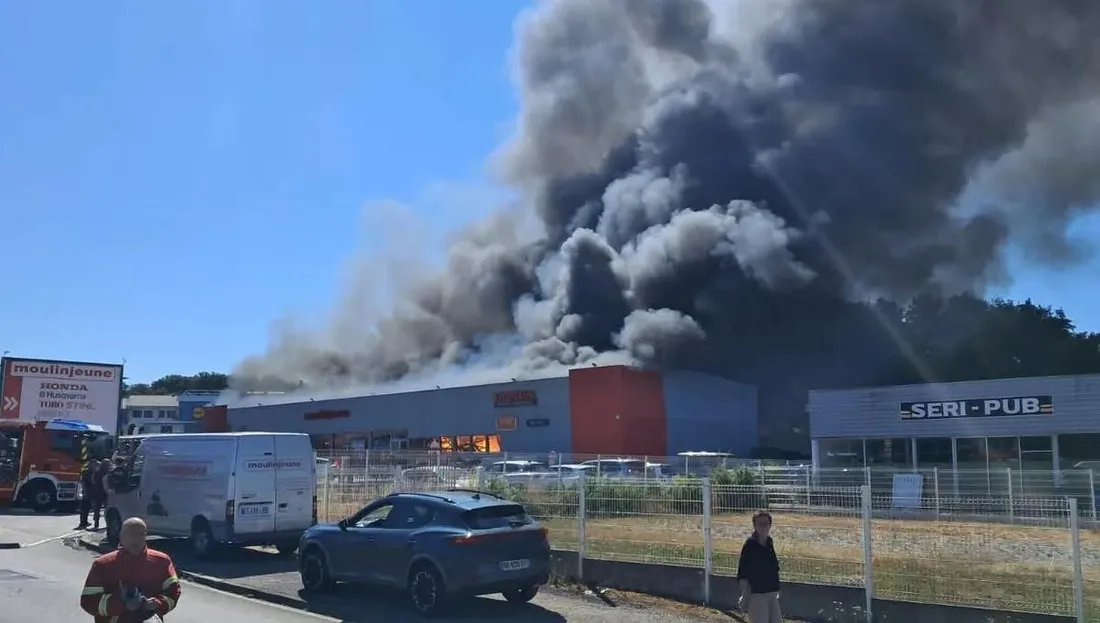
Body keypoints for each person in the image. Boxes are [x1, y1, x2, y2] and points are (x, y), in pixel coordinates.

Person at [79, 517, 182, 622]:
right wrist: (122, 604)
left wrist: (157, 603)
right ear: (121, 536)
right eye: (131, 534)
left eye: (140, 534)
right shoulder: (102, 564)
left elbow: (173, 592)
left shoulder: (161, 561)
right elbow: (88, 601)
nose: (136, 539)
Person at [736, 510, 782, 623]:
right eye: (760, 524)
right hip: (756, 594)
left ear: (770, 525)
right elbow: (743, 572)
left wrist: (777, 590)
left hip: (771, 593)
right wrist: (744, 595)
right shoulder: (750, 544)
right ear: (754, 526)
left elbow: (774, 568)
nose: (763, 527)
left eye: (766, 523)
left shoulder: (769, 542)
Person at [77, 460, 101, 530]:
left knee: (87, 508)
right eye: (95, 465)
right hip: (88, 492)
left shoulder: (92, 472)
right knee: (86, 508)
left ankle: (84, 522)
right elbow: (85, 482)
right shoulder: (87, 473)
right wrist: (85, 492)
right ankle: (83, 522)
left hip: (92, 492)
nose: (96, 467)